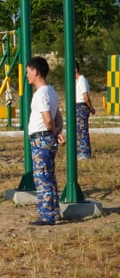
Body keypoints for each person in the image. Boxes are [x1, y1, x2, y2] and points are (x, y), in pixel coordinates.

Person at [26, 56, 65, 226]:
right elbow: (58, 116)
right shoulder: (51, 91)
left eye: (28, 72)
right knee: (49, 175)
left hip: (41, 138)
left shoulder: (41, 93)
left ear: (35, 71)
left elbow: (48, 119)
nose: (27, 75)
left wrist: (53, 130)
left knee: (42, 177)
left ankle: (46, 216)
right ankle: (54, 211)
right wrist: (57, 132)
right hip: (48, 138)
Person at [74, 62, 96, 159]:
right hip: (77, 106)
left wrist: (91, 108)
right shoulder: (77, 81)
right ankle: (80, 152)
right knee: (78, 131)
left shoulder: (81, 80)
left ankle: (84, 153)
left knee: (82, 131)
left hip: (81, 106)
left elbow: (85, 97)